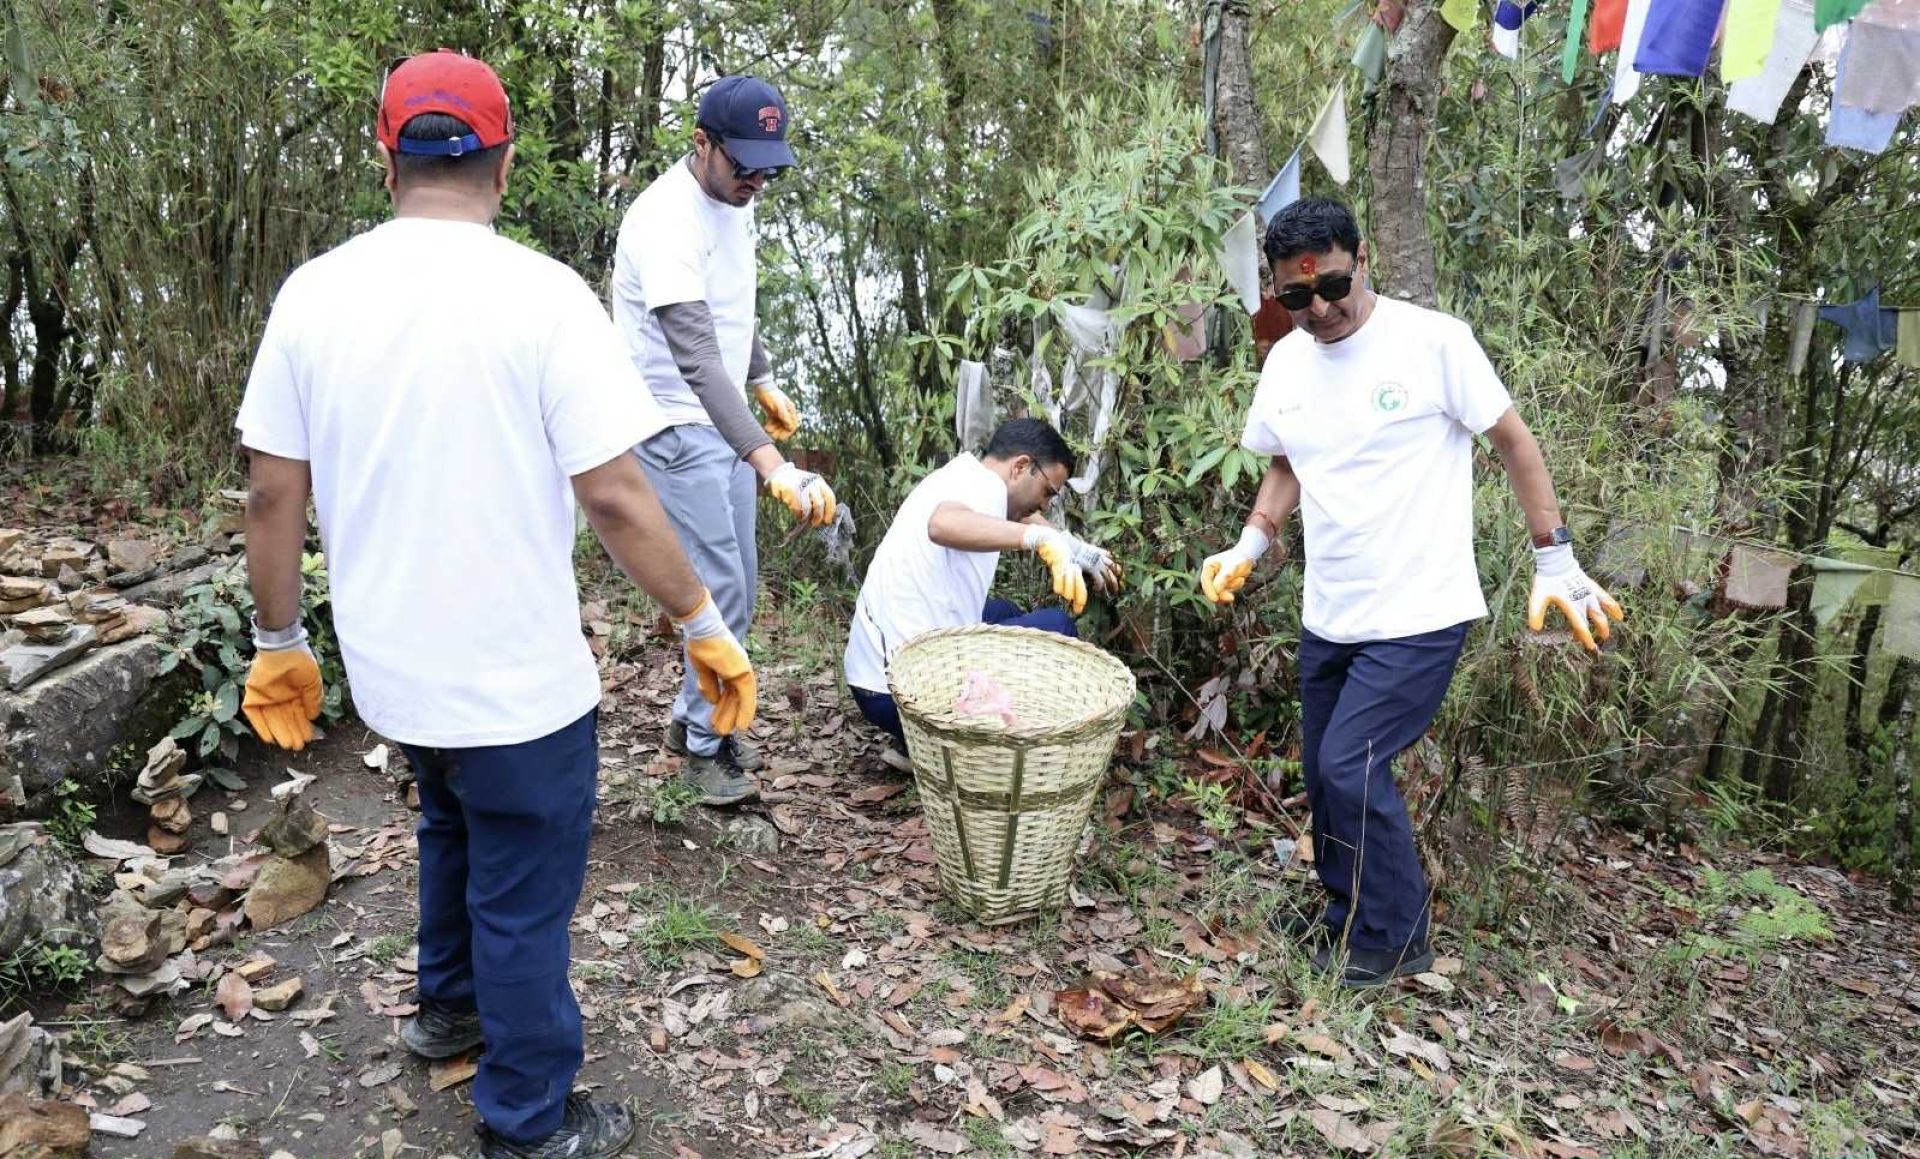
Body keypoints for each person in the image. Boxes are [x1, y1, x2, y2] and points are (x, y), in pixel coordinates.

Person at [236, 51, 757, 1159]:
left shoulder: (314, 293)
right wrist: (703, 624)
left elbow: (273, 487)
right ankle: (526, 1120)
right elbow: (617, 495)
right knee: (522, 878)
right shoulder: (543, 296)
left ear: (387, 160)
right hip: (518, 680)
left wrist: (280, 640)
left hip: (393, 673)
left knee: (449, 816)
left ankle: (448, 1007)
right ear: (504, 164)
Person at [1199, 197, 1623, 988]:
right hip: (1332, 610)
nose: (1318, 308)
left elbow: (1513, 441)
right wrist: (1250, 541)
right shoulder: (1287, 361)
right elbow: (1287, 460)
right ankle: (1346, 917)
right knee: (1326, 776)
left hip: (1419, 611)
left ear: (1362, 260)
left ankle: (1396, 939)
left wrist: (1554, 558)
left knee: (1352, 765)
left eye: (1330, 285)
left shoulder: (1433, 342)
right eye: (1296, 297)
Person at [610, 74, 834, 808]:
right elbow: (696, 352)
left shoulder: (735, 200)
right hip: (674, 421)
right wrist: (770, 461)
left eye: (770, 167)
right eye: (745, 165)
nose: (757, 180)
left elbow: (733, 305)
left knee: (738, 579)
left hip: (722, 420)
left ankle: (690, 718)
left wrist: (763, 375)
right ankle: (706, 751)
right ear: (700, 144)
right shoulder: (664, 220)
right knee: (722, 589)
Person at [845, 418, 1122, 748]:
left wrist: (1071, 546)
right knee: (1057, 627)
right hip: (903, 694)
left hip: (874, 684)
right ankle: (1013, 753)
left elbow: (1018, 514)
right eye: (1048, 492)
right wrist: (1037, 540)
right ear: (1021, 466)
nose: (1046, 504)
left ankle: (916, 747)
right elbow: (942, 524)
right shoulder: (984, 489)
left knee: (1002, 611)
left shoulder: (965, 475)